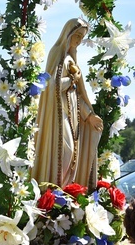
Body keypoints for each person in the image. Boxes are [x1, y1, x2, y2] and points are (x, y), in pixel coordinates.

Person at [32, 17, 103, 189]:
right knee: (66, 150)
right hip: (58, 115)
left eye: (81, 37)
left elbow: (78, 95)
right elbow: (51, 86)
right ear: (68, 33)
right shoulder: (57, 53)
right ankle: (55, 192)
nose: (78, 40)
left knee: (73, 156)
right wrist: (72, 79)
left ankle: (64, 193)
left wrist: (90, 116)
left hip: (73, 115)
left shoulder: (71, 59)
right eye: (76, 35)